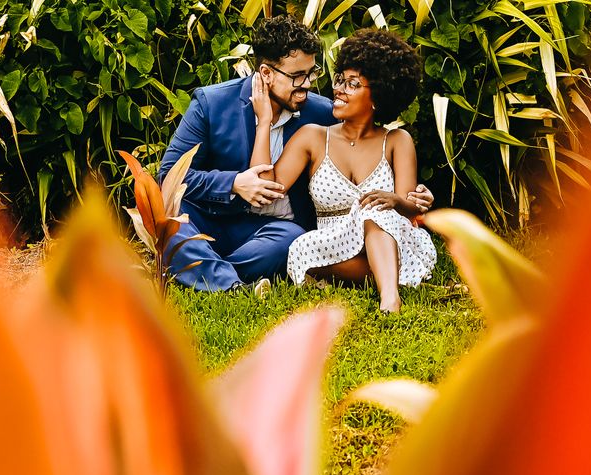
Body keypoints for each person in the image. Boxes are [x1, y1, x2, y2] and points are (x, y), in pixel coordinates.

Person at [155, 15, 432, 291]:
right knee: (174, 214)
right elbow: (167, 176)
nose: (308, 84)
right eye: (298, 76)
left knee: (291, 238)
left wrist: (413, 198)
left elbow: (365, 140)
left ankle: (205, 271)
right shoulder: (212, 104)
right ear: (266, 73)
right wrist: (234, 183)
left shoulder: (322, 113)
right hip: (210, 217)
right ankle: (229, 283)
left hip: (270, 231)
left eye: (312, 73)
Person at [261, 30, 436, 313]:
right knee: (299, 249)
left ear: (378, 95)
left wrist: (394, 200)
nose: (339, 89)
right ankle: (392, 277)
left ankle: (390, 299)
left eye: (353, 84)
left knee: (372, 207)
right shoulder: (313, 137)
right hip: (334, 244)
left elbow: (409, 209)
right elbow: (268, 186)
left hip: (391, 235)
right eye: (340, 79)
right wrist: (264, 123)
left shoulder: (397, 141)